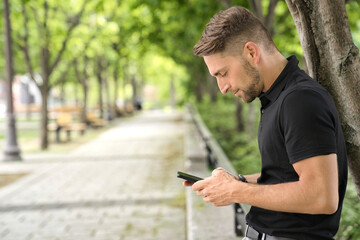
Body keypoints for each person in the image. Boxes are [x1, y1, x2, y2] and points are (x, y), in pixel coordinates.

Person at [183, 6, 348, 240]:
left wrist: (236, 191)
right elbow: (287, 174)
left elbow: (321, 197)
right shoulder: (277, 97)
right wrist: (236, 181)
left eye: (223, 73)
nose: (223, 88)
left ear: (251, 52)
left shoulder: (300, 100)